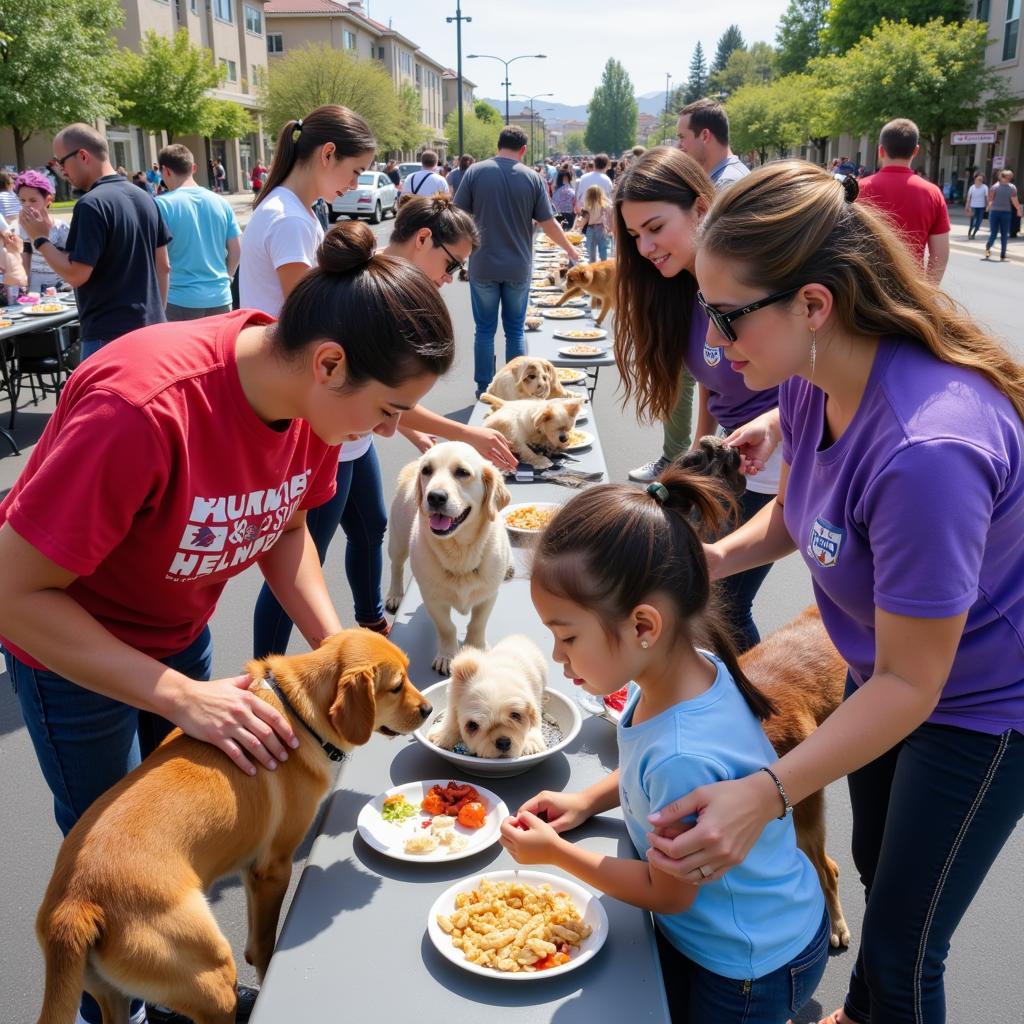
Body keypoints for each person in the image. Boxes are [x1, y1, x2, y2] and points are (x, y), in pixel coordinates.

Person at [0, 222, 454, 1024]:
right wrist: (179, 696)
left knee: (188, 851)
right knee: (112, 867)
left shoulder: (313, 412)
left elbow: (282, 529)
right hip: (72, 653)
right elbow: (15, 592)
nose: (389, 433)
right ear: (329, 363)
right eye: (389, 410)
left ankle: (175, 990)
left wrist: (334, 649)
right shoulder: (142, 408)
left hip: (179, 632)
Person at [641, 161, 1024, 1024]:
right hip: (883, 675)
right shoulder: (813, 383)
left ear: (814, 305)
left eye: (730, 315)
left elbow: (912, 685)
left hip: (978, 709)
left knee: (904, 946)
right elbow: (802, 516)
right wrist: (707, 563)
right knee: (875, 861)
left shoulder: (929, 451)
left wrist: (766, 791)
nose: (714, 337)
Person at [500, 470, 829, 1022]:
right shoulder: (688, 677)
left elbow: (668, 891)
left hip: (749, 968)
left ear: (643, 625)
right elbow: (641, 765)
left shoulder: (683, 756)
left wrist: (556, 855)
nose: (558, 657)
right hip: (753, 930)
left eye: (568, 636)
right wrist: (587, 801)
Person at [252, 194, 516, 658]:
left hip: (346, 442)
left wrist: (412, 428)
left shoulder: (384, 292)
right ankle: (266, 666)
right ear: (422, 239)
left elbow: (380, 401)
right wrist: (464, 433)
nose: (449, 279)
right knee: (303, 554)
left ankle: (372, 619)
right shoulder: (365, 301)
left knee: (371, 527)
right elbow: (373, 394)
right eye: (452, 264)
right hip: (326, 442)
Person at [614, 147, 780, 652]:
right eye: (635, 235)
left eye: (655, 227)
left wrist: (774, 426)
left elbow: (812, 383)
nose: (644, 247)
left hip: (770, 461)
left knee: (723, 606)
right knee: (704, 598)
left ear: (702, 208)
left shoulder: (750, 282)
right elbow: (709, 380)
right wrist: (698, 457)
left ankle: (757, 712)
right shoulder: (678, 287)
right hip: (726, 462)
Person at [19, 123, 169, 360]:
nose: (61, 171)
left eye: (61, 162)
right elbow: (164, 265)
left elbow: (76, 274)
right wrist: (157, 315)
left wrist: (39, 238)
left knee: (105, 398)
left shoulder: (91, 204)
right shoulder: (145, 198)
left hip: (108, 337)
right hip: (151, 329)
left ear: (83, 156)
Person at [454, 125, 579, 397]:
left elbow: (457, 218)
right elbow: (548, 223)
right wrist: (570, 249)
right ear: (523, 150)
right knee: (515, 330)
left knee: (484, 330)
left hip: (483, 264)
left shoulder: (475, 172)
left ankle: (484, 387)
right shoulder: (532, 178)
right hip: (518, 266)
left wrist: (458, 256)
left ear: (498, 144)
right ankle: (518, 390)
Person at [155, 143, 242, 321]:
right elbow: (237, 249)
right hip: (220, 297)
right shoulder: (221, 202)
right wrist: (228, 277)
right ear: (193, 168)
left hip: (178, 300)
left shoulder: (161, 205)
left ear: (165, 171)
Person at [856, 118, 950, 282]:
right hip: (909, 289)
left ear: (881, 150)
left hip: (865, 288)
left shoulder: (858, 189)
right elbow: (940, 256)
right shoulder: (932, 193)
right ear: (915, 151)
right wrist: (927, 293)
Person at [11, 171, 70, 293]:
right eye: (23, 200)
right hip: (35, 284)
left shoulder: (61, 227)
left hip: (59, 283)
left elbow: (70, 255)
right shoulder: (24, 226)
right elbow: (26, 251)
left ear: (48, 200)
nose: (27, 205)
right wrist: (25, 279)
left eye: (33, 200)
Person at [676, 99, 750, 189]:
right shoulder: (722, 180)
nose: (678, 146)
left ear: (705, 136)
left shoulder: (727, 184)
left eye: (682, 137)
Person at [984, 168, 1021, 262]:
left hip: (1005, 213)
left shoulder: (1012, 188)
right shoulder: (995, 187)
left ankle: (1002, 255)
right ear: (1002, 177)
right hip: (996, 213)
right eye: (1007, 177)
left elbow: (1014, 200)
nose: (1009, 179)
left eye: (1010, 177)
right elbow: (991, 199)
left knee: (1004, 234)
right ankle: (988, 249)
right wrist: (988, 208)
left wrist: (1018, 210)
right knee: (994, 233)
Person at [577, 183, 612, 263]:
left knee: (589, 248)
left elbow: (584, 219)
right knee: (603, 248)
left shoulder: (587, 207)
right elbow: (611, 211)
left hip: (590, 228)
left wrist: (579, 226)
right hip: (601, 227)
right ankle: (604, 263)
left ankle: (591, 264)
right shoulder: (604, 205)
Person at [964, 172, 988, 240]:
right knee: (973, 221)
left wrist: (987, 206)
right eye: (978, 179)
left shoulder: (985, 187)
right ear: (975, 179)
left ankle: (973, 234)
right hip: (973, 206)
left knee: (978, 222)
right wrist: (967, 206)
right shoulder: (972, 187)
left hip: (981, 207)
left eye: (981, 179)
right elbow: (969, 198)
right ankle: (969, 233)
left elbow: (986, 198)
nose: (980, 181)